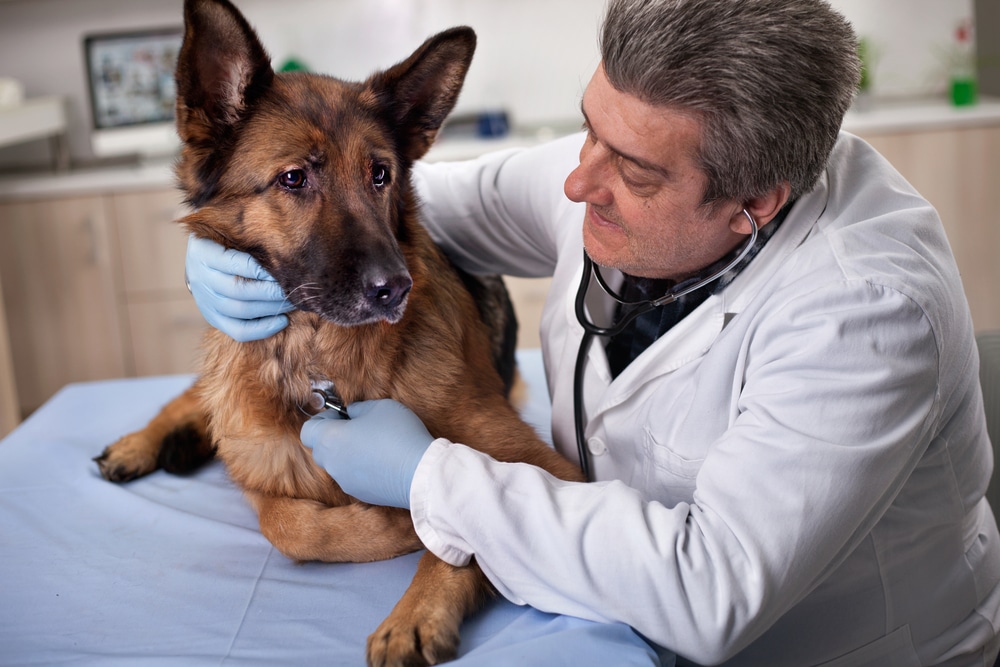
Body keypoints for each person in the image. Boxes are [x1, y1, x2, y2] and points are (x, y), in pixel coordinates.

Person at [183, 0, 1000, 664]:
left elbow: (706, 596)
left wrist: (432, 475)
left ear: (756, 204)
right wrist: (234, 252)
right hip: (600, 610)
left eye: (634, 171)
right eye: (590, 128)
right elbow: (421, 203)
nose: (578, 181)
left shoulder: (868, 313)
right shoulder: (636, 154)